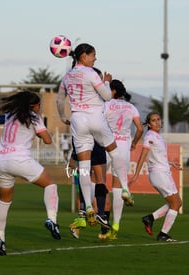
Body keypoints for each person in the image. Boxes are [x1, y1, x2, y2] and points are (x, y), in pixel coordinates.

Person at [56, 43, 133, 227]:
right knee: (115, 153)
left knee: (83, 166)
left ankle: (88, 207)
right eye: (93, 55)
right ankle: (125, 188)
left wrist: (63, 117)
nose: (95, 59)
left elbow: (59, 100)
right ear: (83, 56)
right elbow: (107, 96)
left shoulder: (66, 76)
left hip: (77, 120)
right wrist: (106, 80)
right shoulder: (91, 73)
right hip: (95, 118)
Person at [0, 91, 61, 256]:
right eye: (38, 105)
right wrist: (42, 132)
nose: (39, 108)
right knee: (50, 184)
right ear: (33, 106)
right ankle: (52, 220)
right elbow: (47, 140)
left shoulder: (10, 115)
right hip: (19, 160)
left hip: (1, 162)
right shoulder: (34, 117)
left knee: (4, 201)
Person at [130, 111, 183, 242]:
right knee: (176, 203)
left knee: (176, 203)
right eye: (153, 120)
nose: (157, 122)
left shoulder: (157, 137)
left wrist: (171, 163)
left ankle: (150, 218)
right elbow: (143, 155)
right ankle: (163, 234)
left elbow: (156, 157)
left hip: (163, 172)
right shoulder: (150, 136)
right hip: (159, 174)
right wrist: (136, 174)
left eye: (158, 119)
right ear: (148, 124)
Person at [103, 79, 144, 240]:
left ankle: (91, 211)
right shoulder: (131, 107)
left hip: (108, 144)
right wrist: (134, 143)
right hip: (123, 146)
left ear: (112, 90)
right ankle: (116, 224)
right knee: (118, 186)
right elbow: (140, 129)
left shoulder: (106, 105)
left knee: (96, 178)